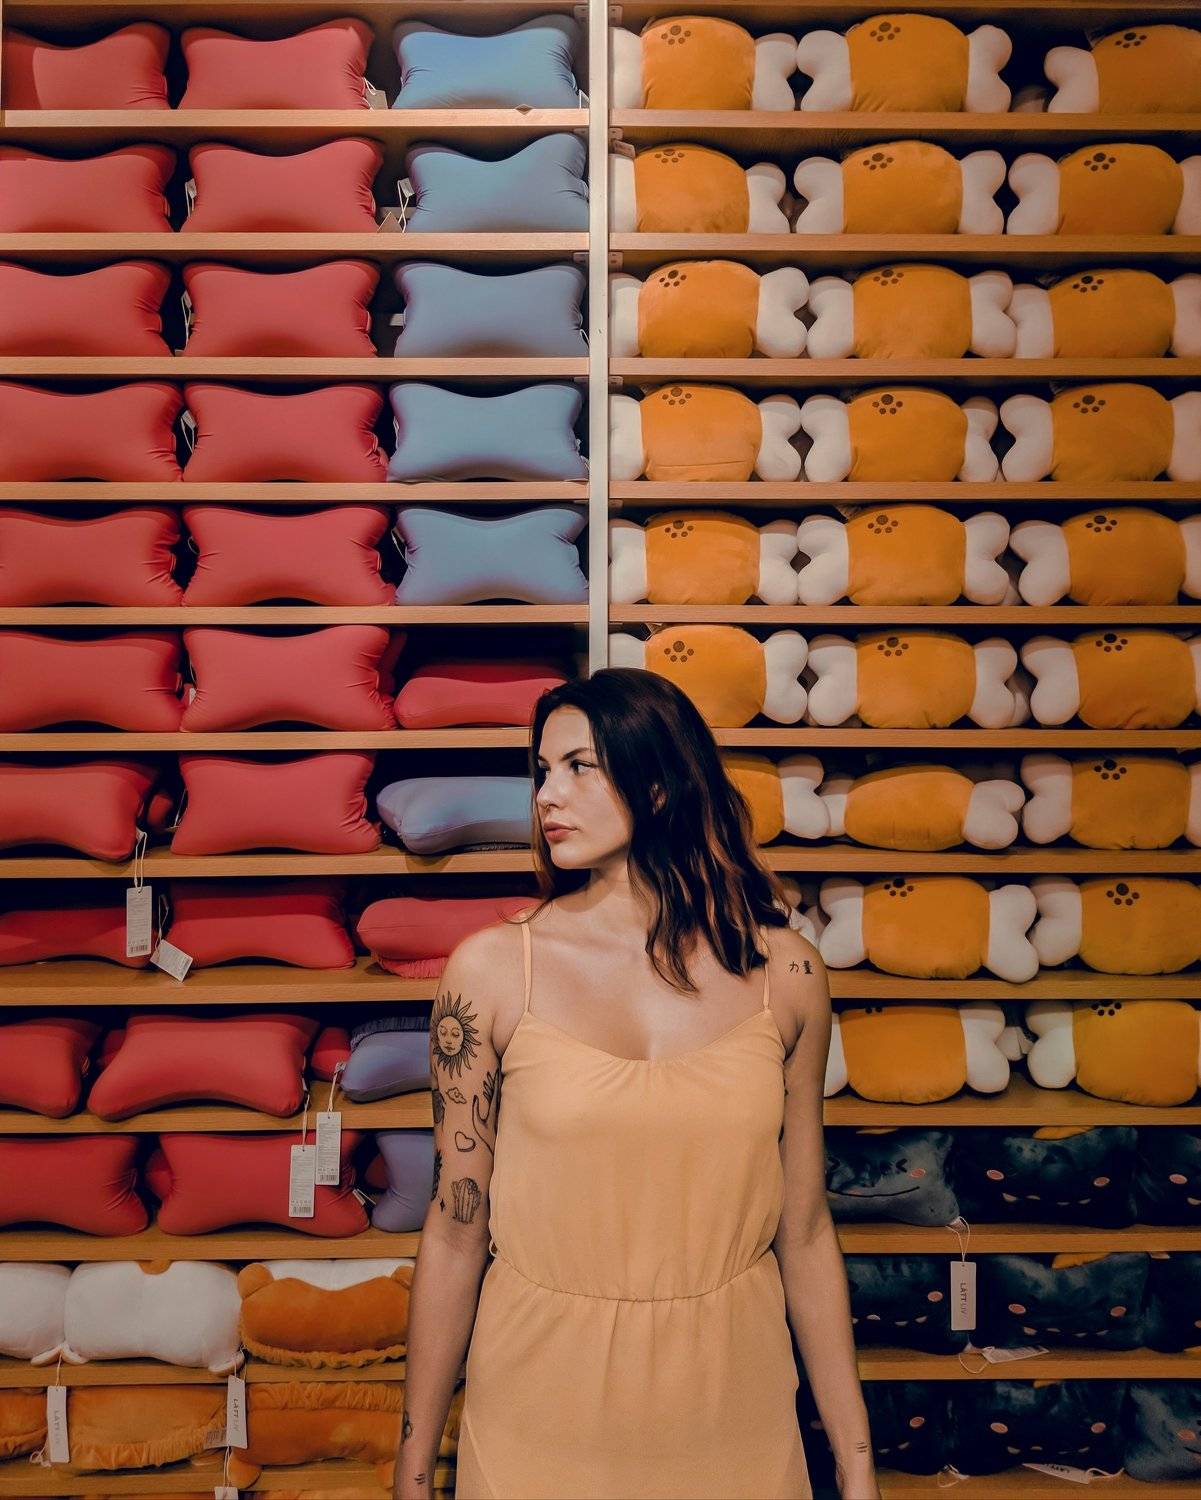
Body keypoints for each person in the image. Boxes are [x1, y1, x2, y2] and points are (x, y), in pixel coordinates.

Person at [394, 667, 877, 1500]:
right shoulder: (493, 971)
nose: (547, 795)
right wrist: (410, 1469)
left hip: (732, 1406)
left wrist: (856, 1464)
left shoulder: (787, 973)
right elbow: (454, 1230)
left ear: (657, 785)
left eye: (578, 766)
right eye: (542, 771)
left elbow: (802, 1233)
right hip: (539, 1408)